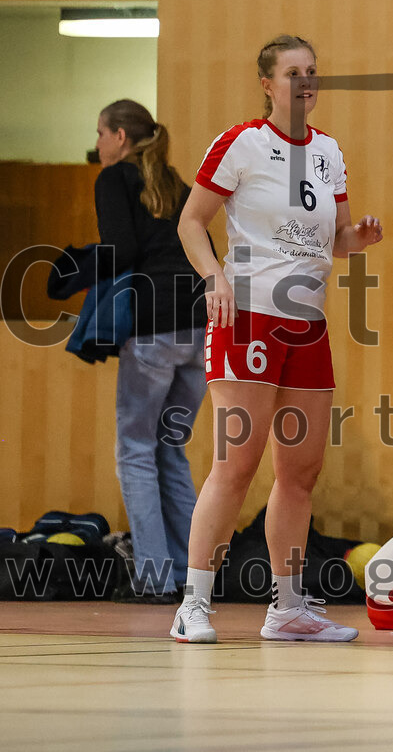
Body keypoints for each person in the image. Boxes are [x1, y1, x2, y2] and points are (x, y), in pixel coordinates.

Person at [170, 34, 383, 643]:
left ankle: (287, 607)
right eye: (293, 72)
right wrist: (213, 277)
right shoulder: (241, 142)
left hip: (307, 325)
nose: (305, 82)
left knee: (300, 473)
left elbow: (337, 240)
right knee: (235, 466)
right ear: (267, 84)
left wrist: (359, 238)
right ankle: (193, 604)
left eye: (312, 71)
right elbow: (191, 222)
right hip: (249, 318)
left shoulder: (329, 151)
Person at [93, 100, 208, 603]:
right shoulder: (175, 182)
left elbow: (119, 251)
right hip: (199, 327)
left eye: (100, 133)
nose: (98, 143)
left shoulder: (114, 179)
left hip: (155, 329)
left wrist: (74, 269)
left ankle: (155, 579)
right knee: (169, 449)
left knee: (136, 451)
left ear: (119, 136)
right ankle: (192, 576)